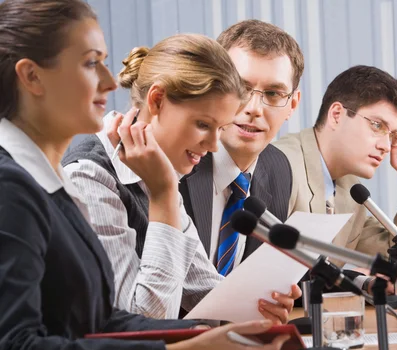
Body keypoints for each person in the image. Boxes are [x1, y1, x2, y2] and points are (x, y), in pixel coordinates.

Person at [0, 1, 289, 350]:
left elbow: (102, 321)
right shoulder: (18, 187)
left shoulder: (46, 181)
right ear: (32, 76)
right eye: (90, 63)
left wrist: (218, 332)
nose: (109, 81)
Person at [63, 32, 297, 322]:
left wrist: (258, 305)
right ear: (157, 100)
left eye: (220, 128)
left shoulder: (158, 169)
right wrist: (163, 195)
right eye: (203, 124)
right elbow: (145, 322)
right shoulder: (89, 178)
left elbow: (203, 287)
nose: (213, 146)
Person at [275, 65, 397, 306]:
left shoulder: (350, 189)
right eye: (377, 126)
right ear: (336, 114)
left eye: (393, 135)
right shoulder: (281, 166)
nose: (386, 146)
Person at [178, 20, 303, 312]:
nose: (254, 109)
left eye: (273, 94)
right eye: (241, 88)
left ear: (292, 106)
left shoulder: (277, 167)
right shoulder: (177, 159)